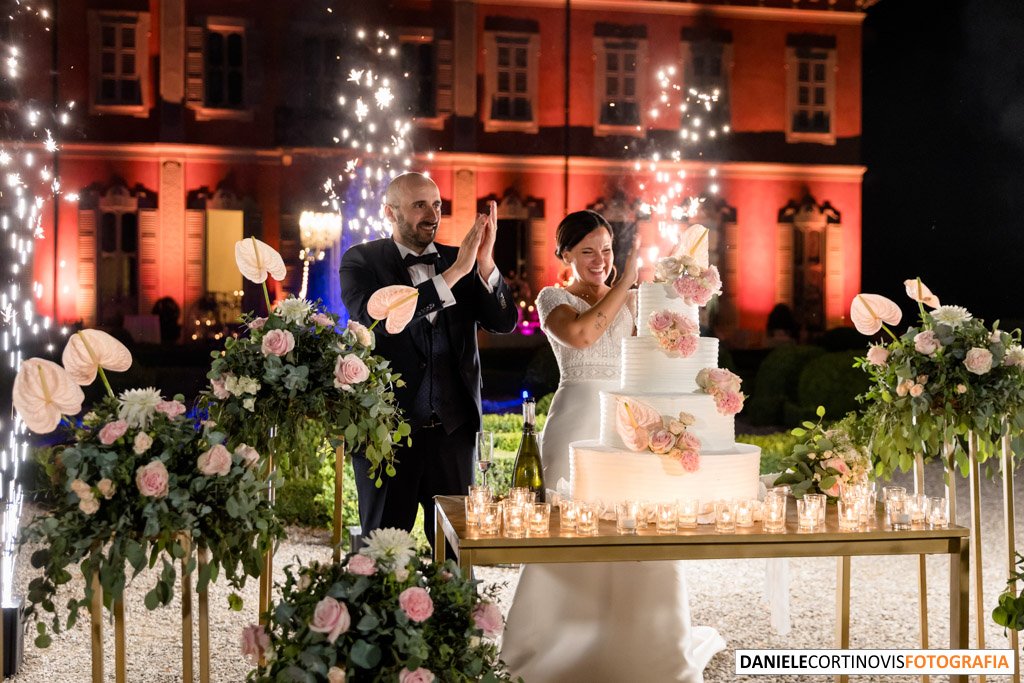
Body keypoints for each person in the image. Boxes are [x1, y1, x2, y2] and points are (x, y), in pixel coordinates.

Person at [500, 210, 725, 682]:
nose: (600, 260)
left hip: (624, 423)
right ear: (565, 255)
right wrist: (625, 286)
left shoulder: (631, 300)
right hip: (574, 417)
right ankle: (551, 642)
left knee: (629, 524)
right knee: (569, 528)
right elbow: (583, 336)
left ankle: (638, 641)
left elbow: (659, 350)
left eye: (606, 250)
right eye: (588, 252)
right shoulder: (551, 298)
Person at [339, 172, 518, 550]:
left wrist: (484, 264)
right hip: (387, 435)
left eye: (436, 204)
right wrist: (454, 275)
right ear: (390, 211)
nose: (431, 213)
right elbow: (381, 322)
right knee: (383, 554)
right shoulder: (361, 261)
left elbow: (503, 322)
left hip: (453, 433)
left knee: (456, 554)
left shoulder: (465, 260)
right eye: (419, 204)